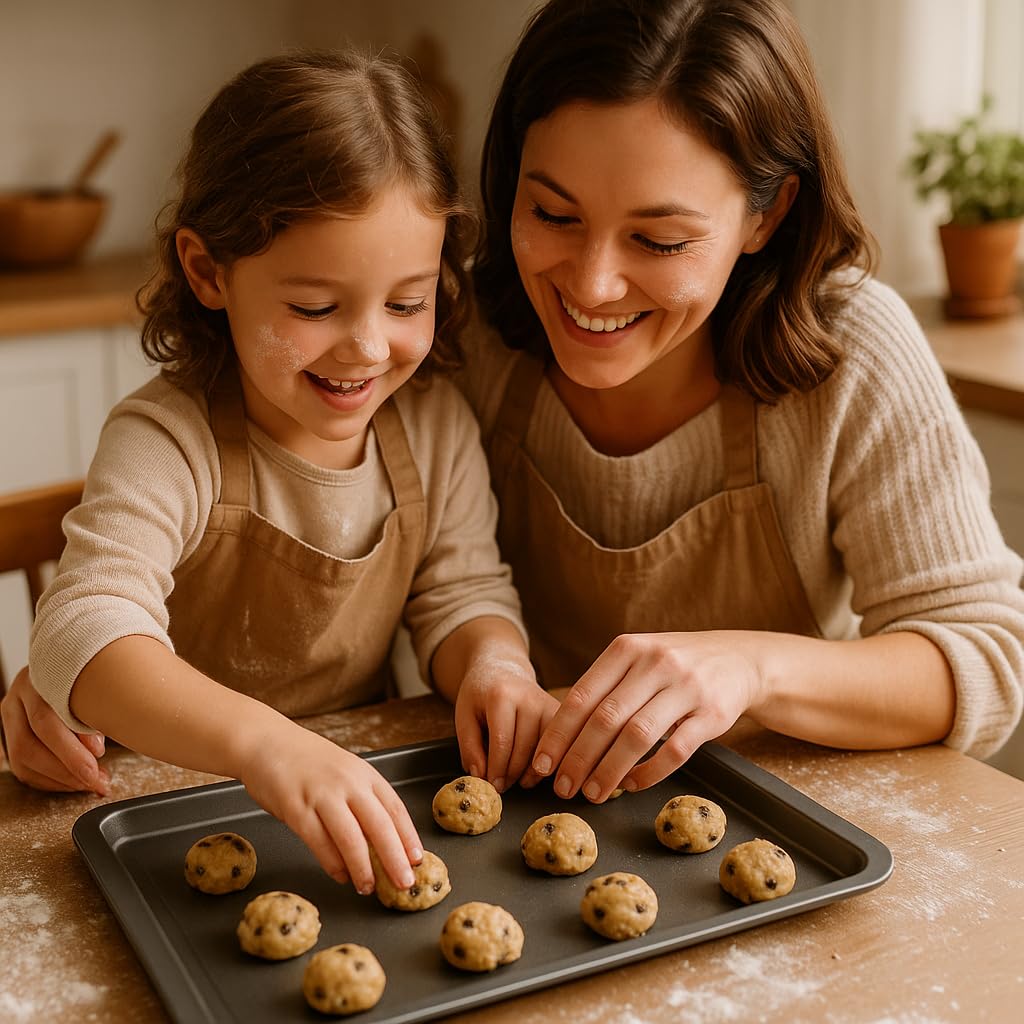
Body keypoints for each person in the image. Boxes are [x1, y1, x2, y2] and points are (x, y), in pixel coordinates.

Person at [0, 49, 557, 894]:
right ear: (208, 271)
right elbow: (84, 627)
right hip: (158, 812)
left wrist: (494, 664)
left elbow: (462, 592)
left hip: (346, 807)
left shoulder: (433, 424)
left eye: (407, 303)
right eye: (315, 307)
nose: (366, 347)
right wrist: (266, 745)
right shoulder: (169, 438)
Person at [459, 0, 1024, 804]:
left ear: (767, 215)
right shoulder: (464, 334)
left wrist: (753, 669)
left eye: (659, 240)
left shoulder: (854, 350)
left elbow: (987, 661)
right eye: (553, 214)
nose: (592, 285)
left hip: (788, 822)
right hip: (530, 806)